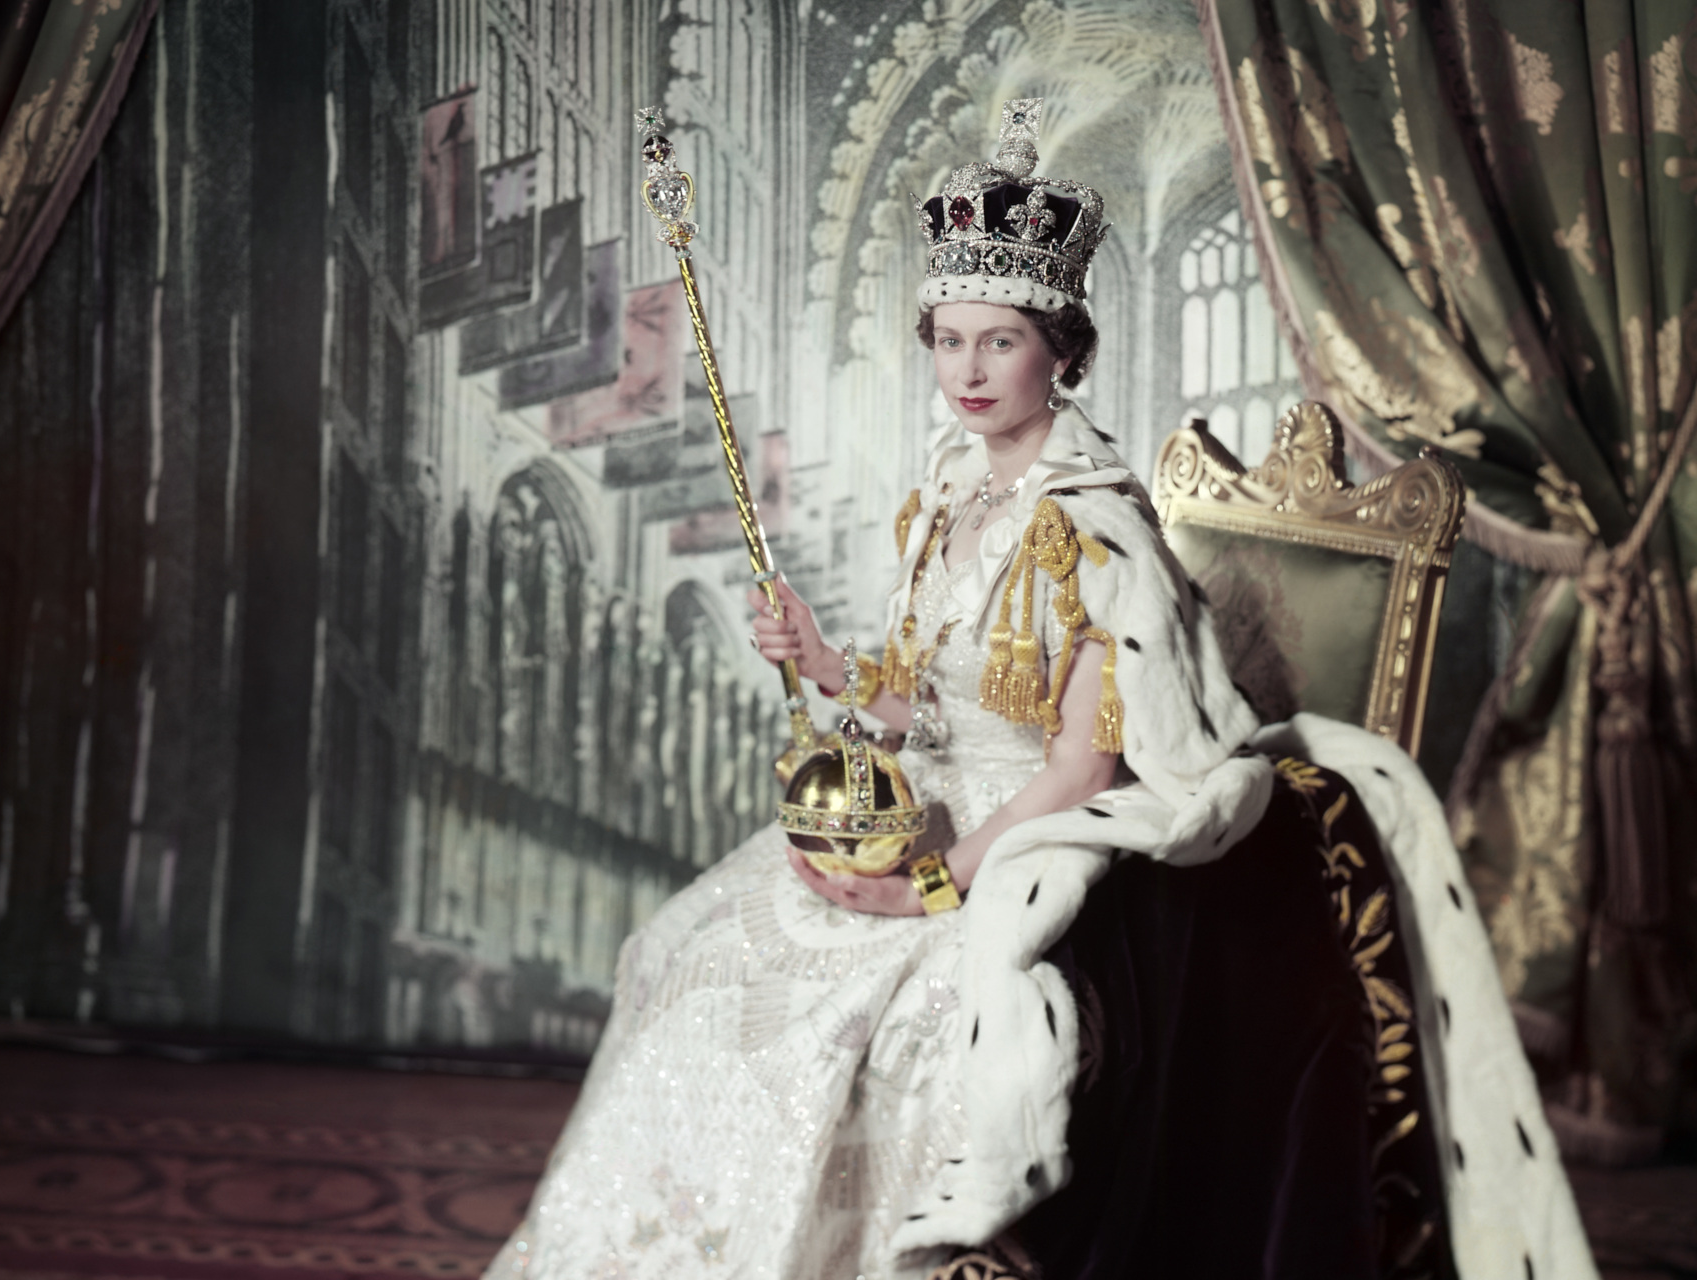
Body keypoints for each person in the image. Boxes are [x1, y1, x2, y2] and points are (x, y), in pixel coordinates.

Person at [491, 100, 1594, 1280]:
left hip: (1040, 845)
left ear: (1060, 351)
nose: (967, 370)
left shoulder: (1101, 530)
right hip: (929, 804)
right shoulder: (946, 495)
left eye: (998, 341)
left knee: (876, 1023)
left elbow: (1082, 769)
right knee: (689, 949)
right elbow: (923, 704)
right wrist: (826, 664)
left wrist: (927, 888)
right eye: (948, 340)